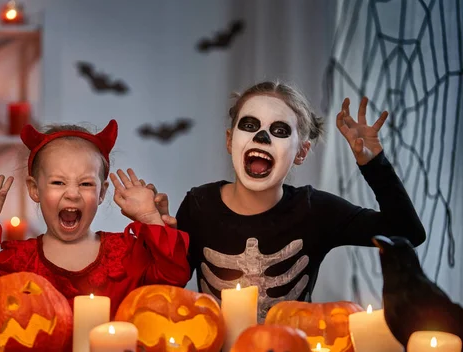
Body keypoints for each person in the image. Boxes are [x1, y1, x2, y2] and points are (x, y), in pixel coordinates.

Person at [170, 81, 426, 322]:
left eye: (280, 130)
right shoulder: (199, 206)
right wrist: (156, 228)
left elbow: (407, 232)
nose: (261, 137)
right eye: (249, 125)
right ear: (229, 140)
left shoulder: (315, 211)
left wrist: (373, 163)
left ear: (301, 152)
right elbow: (167, 290)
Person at [0, 120, 190, 317]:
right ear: (35, 190)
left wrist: (150, 218)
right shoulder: (19, 261)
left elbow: (174, 277)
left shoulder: (125, 255)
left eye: (86, 184)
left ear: (102, 192)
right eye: (58, 182)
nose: (72, 193)